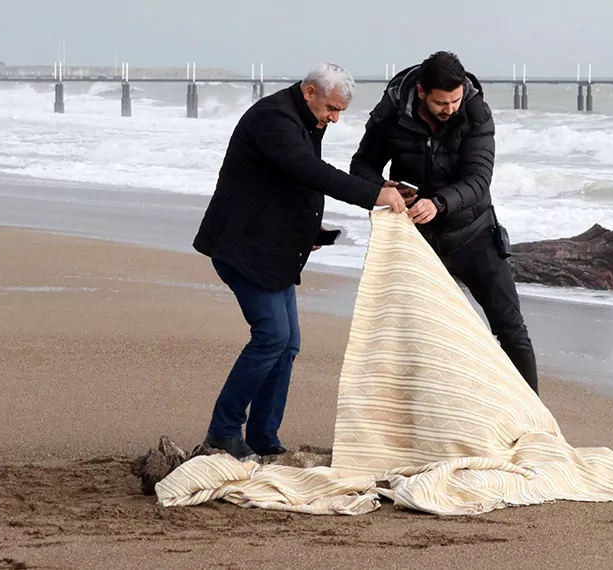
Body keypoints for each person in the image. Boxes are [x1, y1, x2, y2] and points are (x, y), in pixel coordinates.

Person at [192, 62, 407, 460]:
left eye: (340, 111)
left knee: (287, 344)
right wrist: (373, 194)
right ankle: (223, 431)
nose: (335, 118)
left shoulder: (307, 119)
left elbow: (288, 185)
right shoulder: (273, 118)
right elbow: (309, 171)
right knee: (272, 336)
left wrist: (312, 232)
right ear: (310, 91)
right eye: (332, 108)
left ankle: (262, 437)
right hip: (243, 246)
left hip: (273, 246)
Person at [349, 51, 540, 395]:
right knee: (416, 335)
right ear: (421, 92)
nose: (450, 108)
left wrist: (439, 203)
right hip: (415, 240)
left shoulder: (475, 111)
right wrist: (381, 187)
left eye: (455, 100)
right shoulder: (391, 111)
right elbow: (361, 165)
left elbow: (479, 180)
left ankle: (535, 420)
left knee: (510, 328)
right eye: (441, 102)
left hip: (474, 234)